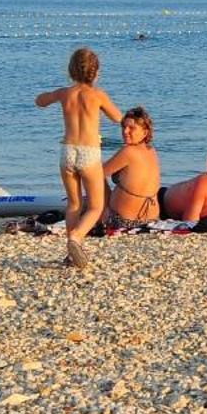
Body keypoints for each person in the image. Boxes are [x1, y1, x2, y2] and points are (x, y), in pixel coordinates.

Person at [35, 46, 122, 270]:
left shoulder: (65, 93)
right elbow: (117, 117)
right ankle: (77, 237)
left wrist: (48, 97)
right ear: (96, 72)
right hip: (89, 152)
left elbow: (40, 101)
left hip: (67, 151)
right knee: (95, 205)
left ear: (71, 71)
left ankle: (70, 254)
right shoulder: (98, 95)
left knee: (73, 203)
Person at [101, 106, 161, 230]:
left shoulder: (128, 151)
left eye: (131, 128)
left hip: (124, 221)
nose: (125, 131)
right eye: (123, 127)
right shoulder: (151, 150)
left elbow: (97, 175)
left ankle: (100, 212)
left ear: (145, 132)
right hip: (152, 220)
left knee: (95, 177)